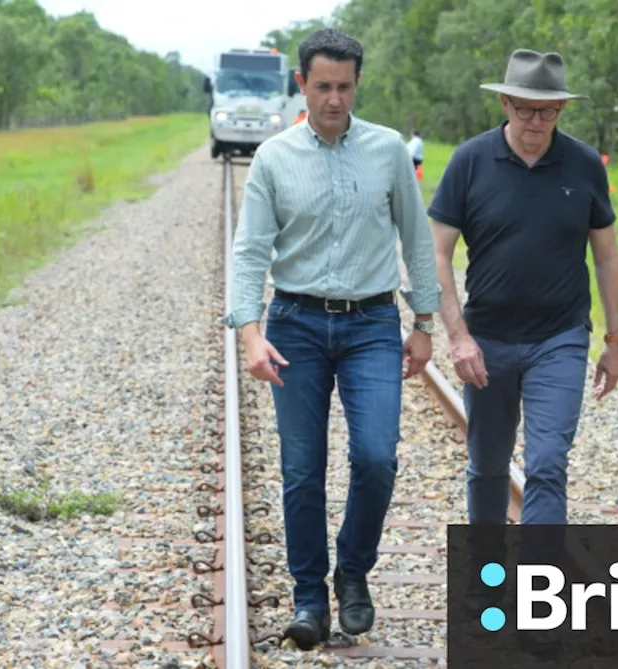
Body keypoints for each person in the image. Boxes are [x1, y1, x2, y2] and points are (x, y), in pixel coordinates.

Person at [223, 27, 441, 650]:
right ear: (302, 84)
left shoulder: (389, 150)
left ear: (357, 85)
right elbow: (249, 252)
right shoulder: (273, 158)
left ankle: (353, 571)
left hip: (373, 323)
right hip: (296, 321)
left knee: (376, 455)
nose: (334, 99)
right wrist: (249, 331)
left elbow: (416, 239)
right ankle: (309, 597)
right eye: (322, 87)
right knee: (301, 469)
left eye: (345, 87)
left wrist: (423, 323)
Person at [427, 48, 618, 530]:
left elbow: (607, 254)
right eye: (526, 108)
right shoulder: (470, 161)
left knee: (548, 465)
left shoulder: (583, 165)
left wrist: (615, 341)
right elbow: (435, 253)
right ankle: (489, 581)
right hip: (488, 339)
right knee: (489, 467)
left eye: (549, 110)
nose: (537, 120)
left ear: (562, 109)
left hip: (559, 339)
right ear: (505, 104)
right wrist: (457, 336)